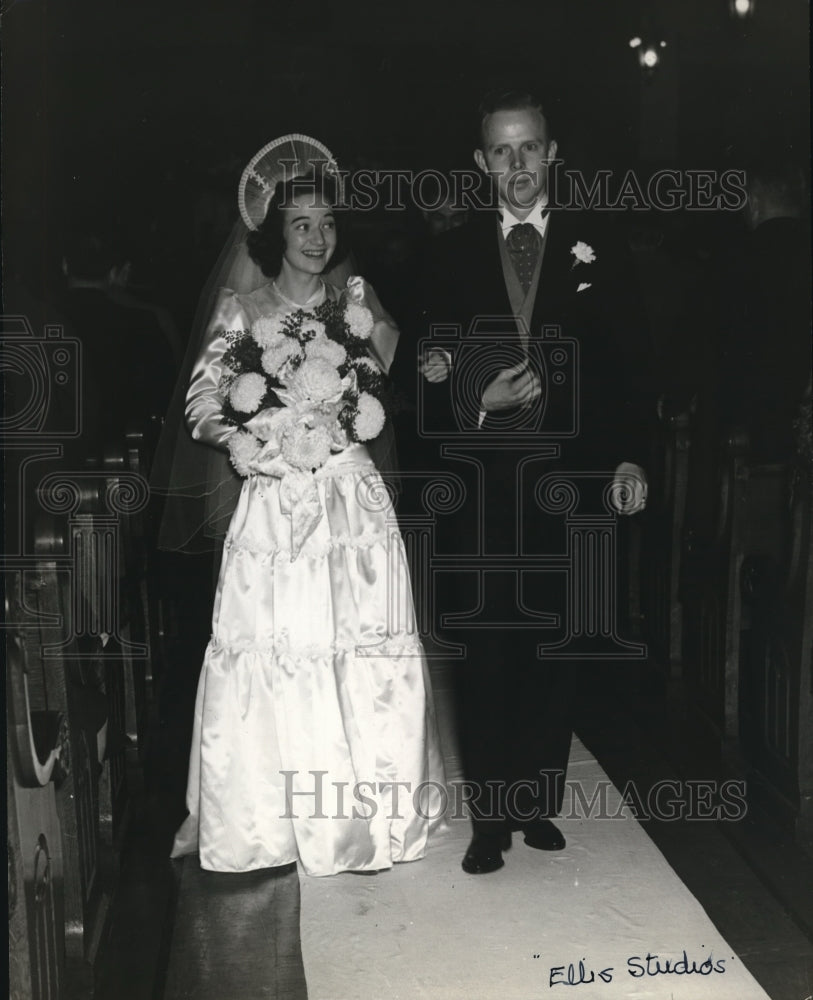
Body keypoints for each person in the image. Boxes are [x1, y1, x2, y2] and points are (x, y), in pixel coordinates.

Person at [166, 140, 444, 876]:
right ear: (274, 234)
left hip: (349, 499)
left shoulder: (355, 304)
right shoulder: (243, 307)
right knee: (282, 648)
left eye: (326, 222)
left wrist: (356, 399)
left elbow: (380, 387)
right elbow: (200, 401)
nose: (317, 238)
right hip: (278, 499)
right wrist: (239, 439)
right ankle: (273, 819)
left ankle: (374, 807)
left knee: (362, 646)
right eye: (301, 225)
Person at [416, 88, 649, 874]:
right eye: (501, 152)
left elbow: (626, 368)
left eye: (529, 148)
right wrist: (472, 400)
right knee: (486, 649)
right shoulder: (445, 257)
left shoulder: (600, 249)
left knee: (557, 645)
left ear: (552, 153)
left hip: (573, 482)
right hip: (480, 488)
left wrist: (625, 456)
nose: (517, 165)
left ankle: (536, 802)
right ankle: (488, 818)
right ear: (481, 164)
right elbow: (416, 379)